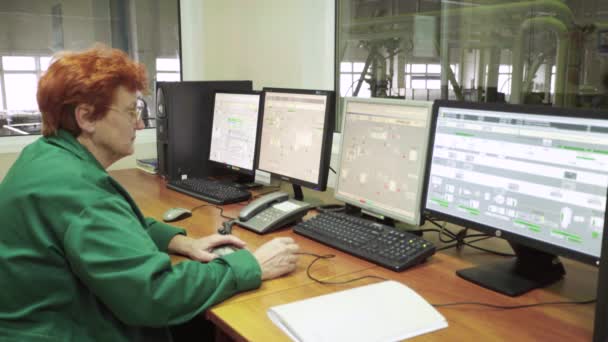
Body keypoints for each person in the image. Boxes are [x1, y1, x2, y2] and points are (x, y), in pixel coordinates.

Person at [0, 45, 300, 341]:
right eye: (131, 111)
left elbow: (117, 226)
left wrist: (179, 241)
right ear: (87, 117)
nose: (141, 123)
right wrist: (252, 266)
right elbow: (154, 296)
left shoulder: (44, 156)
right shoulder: (78, 192)